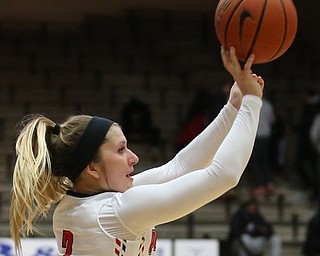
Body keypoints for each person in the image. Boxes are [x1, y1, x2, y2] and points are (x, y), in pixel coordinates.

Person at [10, 46, 264, 256]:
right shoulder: (116, 212)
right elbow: (224, 175)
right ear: (92, 167)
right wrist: (252, 101)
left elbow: (178, 168)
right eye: (121, 150)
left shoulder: (84, 202)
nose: (134, 158)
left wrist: (232, 107)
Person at [247, 96, 276, 197]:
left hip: (256, 135)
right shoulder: (268, 105)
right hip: (266, 135)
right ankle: (269, 182)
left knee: (255, 161)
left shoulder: (251, 103)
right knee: (264, 159)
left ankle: (260, 184)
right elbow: (272, 120)